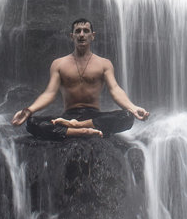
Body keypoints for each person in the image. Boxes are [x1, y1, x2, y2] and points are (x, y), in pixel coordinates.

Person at [10, 18, 149, 139]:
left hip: (94, 117)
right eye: (78, 31)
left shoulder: (104, 63)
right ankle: (81, 131)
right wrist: (28, 111)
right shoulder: (59, 64)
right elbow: (49, 94)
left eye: (86, 31)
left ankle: (77, 127)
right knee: (32, 122)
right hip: (68, 116)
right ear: (72, 36)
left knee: (127, 117)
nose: (81, 34)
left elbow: (115, 89)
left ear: (92, 36)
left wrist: (133, 108)